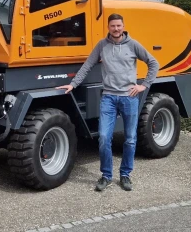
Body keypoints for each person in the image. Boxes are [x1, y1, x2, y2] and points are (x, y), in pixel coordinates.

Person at [56, 13, 159, 192]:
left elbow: (153, 62)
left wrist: (144, 85)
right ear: (108, 27)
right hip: (109, 98)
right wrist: (73, 84)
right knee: (104, 138)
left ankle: (125, 174)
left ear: (123, 26)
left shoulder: (133, 45)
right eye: (113, 26)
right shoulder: (102, 45)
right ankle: (106, 175)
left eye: (119, 26)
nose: (116, 29)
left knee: (130, 139)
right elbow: (87, 65)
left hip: (129, 97)